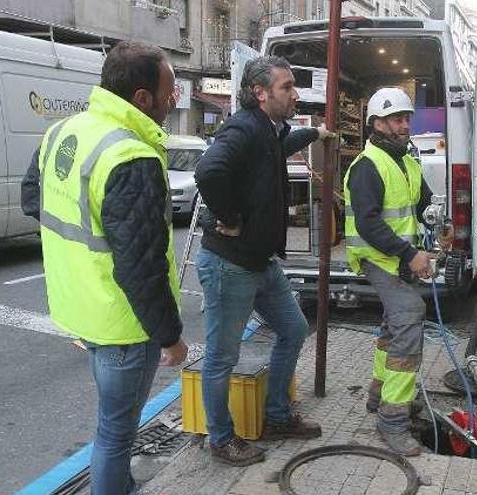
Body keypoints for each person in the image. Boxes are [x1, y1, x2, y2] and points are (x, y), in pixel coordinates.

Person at [20, 41, 188, 494]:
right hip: (122, 326)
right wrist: (170, 336)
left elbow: (32, 199)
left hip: (79, 307)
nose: (175, 100)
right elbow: (142, 265)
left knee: (112, 427)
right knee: (116, 433)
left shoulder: (63, 131)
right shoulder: (130, 154)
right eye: (170, 91)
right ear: (141, 97)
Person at [194, 56, 333, 466]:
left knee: (293, 328)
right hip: (229, 264)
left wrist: (315, 132)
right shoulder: (244, 127)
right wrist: (230, 217)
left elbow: (281, 147)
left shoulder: (269, 132)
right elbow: (209, 170)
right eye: (287, 87)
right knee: (222, 357)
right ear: (260, 93)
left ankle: (275, 416)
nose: (295, 94)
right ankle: (221, 439)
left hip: (260, 261)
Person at [343, 87, 450, 456]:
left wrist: (439, 230)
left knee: (393, 325)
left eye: (406, 118)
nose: (405, 125)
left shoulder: (407, 161)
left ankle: (379, 394)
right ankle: (392, 419)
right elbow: (370, 225)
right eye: (396, 119)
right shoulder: (367, 166)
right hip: (378, 258)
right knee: (409, 317)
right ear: (377, 123)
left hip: (397, 258)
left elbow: (421, 206)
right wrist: (410, 254)